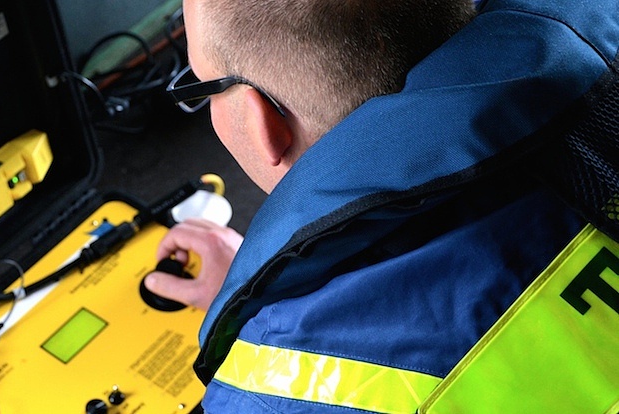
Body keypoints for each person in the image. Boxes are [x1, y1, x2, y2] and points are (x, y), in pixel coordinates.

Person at [145, 0, 619, 412]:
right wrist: (274, 294)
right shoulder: (601, 81)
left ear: (260, 119)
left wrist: (273, 329)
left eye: (199, 86)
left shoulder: (276, 395)